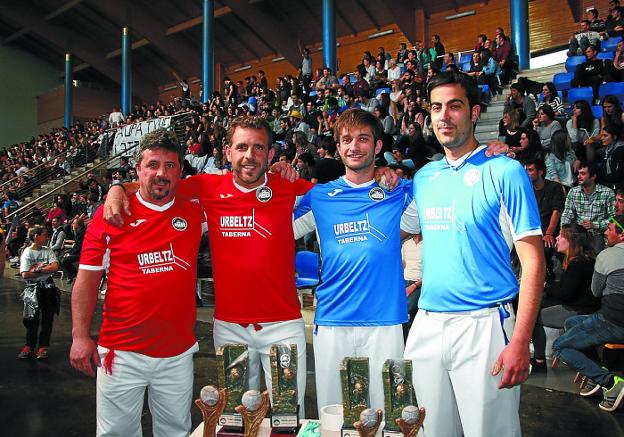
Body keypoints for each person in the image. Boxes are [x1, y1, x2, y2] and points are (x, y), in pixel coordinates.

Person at [402, 71, 545, 437]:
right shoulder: (425, 177)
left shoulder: (506, 170)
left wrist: (520, 341)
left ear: (475, 111)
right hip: (429, 323)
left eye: (455, 106)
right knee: (431, 432)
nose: (444, 116)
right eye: (436, 108)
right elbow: (397, 228)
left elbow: (533, 263)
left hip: (484, 325)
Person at [69, 129, 205, 436]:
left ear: (180, 172)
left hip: (177, 353)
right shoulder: (111, 216)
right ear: (138, 170)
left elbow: (238, 187)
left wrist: (117, 186)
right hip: (122, 352)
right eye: (153, 164)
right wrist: (80, 336)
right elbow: (87, 281)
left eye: (170, 166)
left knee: (176, 432)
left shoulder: (194, 208)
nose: (161, 173)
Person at [293, 108, 418, 413]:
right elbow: (278, 225)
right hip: (334, 319)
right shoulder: (320, 196)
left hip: (385, 321)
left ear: (377, 147)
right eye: (346, 140)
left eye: (363, 139)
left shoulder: (398, 191)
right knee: (334, 414)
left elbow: (436, 190)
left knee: (388, 413)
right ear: (338, 148)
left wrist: (389, 173)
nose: (354, 146)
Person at [552, 214, 624, 412]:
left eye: (610, 229)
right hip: (611, 320)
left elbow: (595, 291)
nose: (605, 232)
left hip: (613, 322)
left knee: (560, 346)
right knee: (572, 323)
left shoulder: (607, 255)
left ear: (622, 234)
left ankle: (609, 382)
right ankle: (597, 373)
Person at [530, 224, 600, 371]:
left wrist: (544, 285)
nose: (557, 238)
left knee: (533, 317)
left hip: (578, 310)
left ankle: (539, 360)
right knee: (539, 305)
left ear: (571, 241)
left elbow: (565, 295)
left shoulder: (577, 264)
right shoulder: (583, 260)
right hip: (584, 306)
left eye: (561, 236)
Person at [17, 225, 60, 360]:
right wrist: (45, 269)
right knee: (32, 320)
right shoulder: (28, 253)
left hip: (48, 288)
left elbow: (55, 266)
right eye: (44, 235)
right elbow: (25, 274)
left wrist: (37, 270)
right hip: (32, 290)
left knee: (48, 319)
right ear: (36, 237)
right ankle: (29, 345)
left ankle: (43, 346)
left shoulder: (48, 250)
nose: (47, 237)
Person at [524, 158, 566, 281]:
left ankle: (548, 281)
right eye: (525, 170)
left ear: (540, 172)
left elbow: (556, 212)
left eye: (530, 170)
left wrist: (549, 233)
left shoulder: (554, 187)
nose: (527, 173)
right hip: (533, 229)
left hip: (549, 229)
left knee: (545, 249)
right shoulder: (526, 189)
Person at [561, 163, 616, 253]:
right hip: (578, 234)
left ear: (593, 176)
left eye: (583, 174)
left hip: (598, 234)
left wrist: (595, 224)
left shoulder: (607, 193)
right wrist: (563, 232)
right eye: (578, 174)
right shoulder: (573, 192)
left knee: (597, 250)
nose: (578, 176)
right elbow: (567, 215)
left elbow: (613, 219)